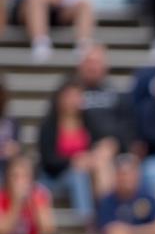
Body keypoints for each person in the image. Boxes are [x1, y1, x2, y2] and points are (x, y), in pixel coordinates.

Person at [38, 80, 116, 220]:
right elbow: (49, 161)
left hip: (87, 170)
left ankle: (107, 212)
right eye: (69, 96)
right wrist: (73, 161)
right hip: (55, 175)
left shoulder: (88, 120)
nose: (73, 101)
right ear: (60, 99)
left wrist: (104, 148)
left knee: (102, 162)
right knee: (78, 174)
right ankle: (86, 219)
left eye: (77, 96)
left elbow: (104, 140)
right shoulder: (49, 125)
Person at [12, 0, 95, 60]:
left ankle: (83, 45)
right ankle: (40, 43)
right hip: (27, 11)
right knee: (36, 1)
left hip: (57, 11)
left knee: (84, 4)